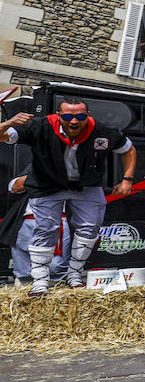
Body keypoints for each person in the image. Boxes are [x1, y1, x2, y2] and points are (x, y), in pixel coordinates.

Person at [1, 98, 135, 296]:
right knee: (46, 229)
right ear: (58, 116)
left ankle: (74, 274)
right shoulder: (40, 126)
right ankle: (40, 282)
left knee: (90, 228)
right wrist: (7, 123)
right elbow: (2, 136)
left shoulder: (102, 131)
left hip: (86, 184)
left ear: (87, 116)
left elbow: (129, 150)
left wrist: (127, 180)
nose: (74, 121)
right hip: (48, 184)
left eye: (80, 116)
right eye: (68, 117)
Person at [0, 158, 71, 285]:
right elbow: (14, 186)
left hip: (56, 221)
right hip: (28, 221)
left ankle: (55, 294)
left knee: (56, 268)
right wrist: (38, 176)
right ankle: (24, 295)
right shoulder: (37, 165)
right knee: (24, 271)